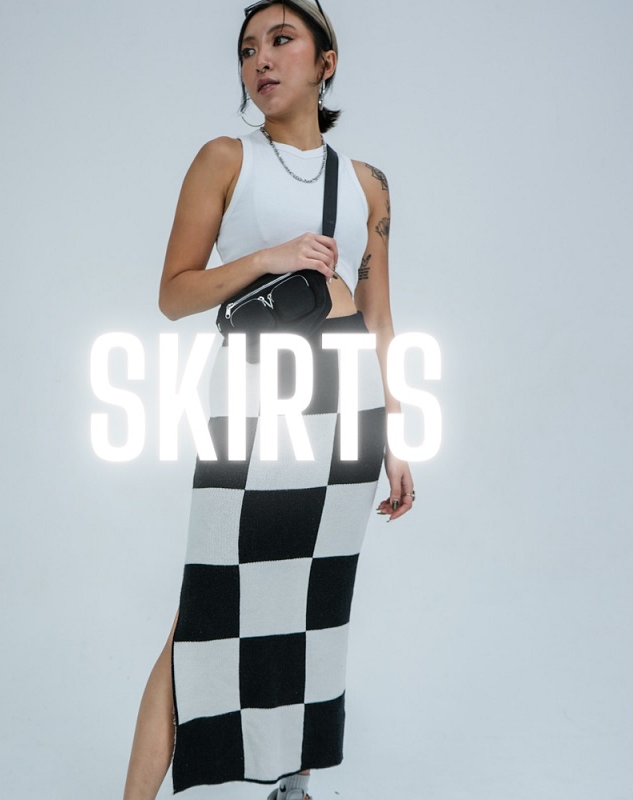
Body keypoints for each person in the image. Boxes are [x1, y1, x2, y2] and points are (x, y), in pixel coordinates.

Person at [122, 2, 414, 798]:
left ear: (326, 62)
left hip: (348, 402)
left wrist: (395, 435)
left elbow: (380, 317)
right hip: (257, 396)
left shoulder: (367, 184)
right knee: (205, 614)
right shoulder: (226, 158)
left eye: (282, 40)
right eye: (249, 47)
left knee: (314, 604)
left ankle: (295, 786)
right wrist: (268, 257)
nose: (261, 59)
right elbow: (174, 295)